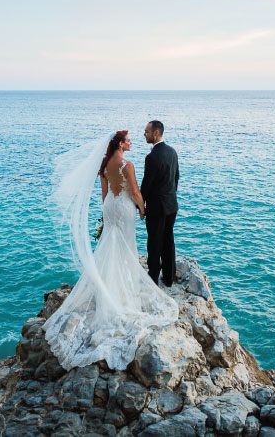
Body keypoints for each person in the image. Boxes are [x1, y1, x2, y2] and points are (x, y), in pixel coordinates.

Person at [42, 130, 178, 371]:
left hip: (109, 206)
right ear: (120, 144)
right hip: (125, 207)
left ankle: (105, 283)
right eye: (128, 140)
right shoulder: (127, 164)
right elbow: (135, 191)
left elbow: (105, 192)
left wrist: (107, 212)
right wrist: (143, 209)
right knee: (126, 246)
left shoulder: (104, 164)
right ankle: (124, 288)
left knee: (109, 245)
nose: (131, 143)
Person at [140, 120, 179, 286]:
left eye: (147, 132)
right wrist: (170, 195)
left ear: (156, 133)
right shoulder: (172, 151)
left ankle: (153, 279)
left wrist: (140, 204)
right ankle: (169, 278)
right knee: (168, 241)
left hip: (157, 207)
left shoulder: (152, 157)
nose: (144, 134)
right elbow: (176, 177)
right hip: (171, 205)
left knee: (154, 243)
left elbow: (147, 185)